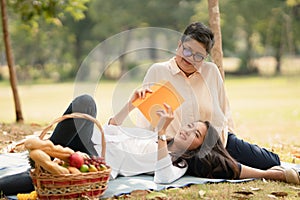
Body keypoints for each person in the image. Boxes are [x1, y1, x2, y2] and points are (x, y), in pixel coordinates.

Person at [0, 93, 299, 196]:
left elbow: (162, 178)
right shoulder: (159, 137)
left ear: (198, 147)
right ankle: (46, 154)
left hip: (93, 160)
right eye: (190, 125)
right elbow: (113, 130)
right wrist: (130, 105)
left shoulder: (176, 164)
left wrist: (273, 173)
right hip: (87, 141)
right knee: (85, 102)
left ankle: (42, 158)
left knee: (43, 175)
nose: (186, 130)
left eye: (194, 133)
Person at [138, 21, 279, 171]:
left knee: (271, 161)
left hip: (217, 143)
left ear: (205, 57)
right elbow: (146, 120)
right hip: (180, 149)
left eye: (198, 56)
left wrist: (230, 144)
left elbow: (225, 111)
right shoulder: (158, 71)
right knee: (213, 167)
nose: (190, 59)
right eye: (187, 51)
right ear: (179, 45)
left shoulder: (211, 71)